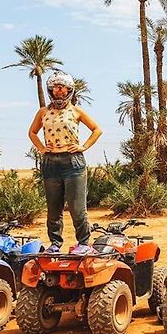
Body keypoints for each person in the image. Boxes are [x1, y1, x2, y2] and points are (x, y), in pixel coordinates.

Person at [29, 72, 102, 254]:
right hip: (50, 163)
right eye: (56, 87)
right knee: (54, 209)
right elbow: (32, 132)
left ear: (69, 90)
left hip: (73, 163)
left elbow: (97, 129)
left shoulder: (76, 111)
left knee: (77, 208)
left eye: (62, 87)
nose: (59, 91)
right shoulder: (43, 112)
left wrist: (83, 146)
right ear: (51, 90)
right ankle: (55, 244)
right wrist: (41, 148)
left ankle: (84, 243)